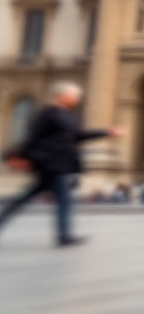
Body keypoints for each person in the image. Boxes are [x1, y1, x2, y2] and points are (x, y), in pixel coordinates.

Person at [0, 82, 124, 247]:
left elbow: (78, 136)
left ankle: (64, 236)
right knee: (63, 200)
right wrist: (22, 157)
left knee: (26, 198)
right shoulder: (47, 114)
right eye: (74, 96)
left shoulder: (67, 116)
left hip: (58, 164)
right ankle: (64, 237)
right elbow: (32, 138)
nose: (76, 100)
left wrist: (107, 132)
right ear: (64, 96)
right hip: (50, 164)